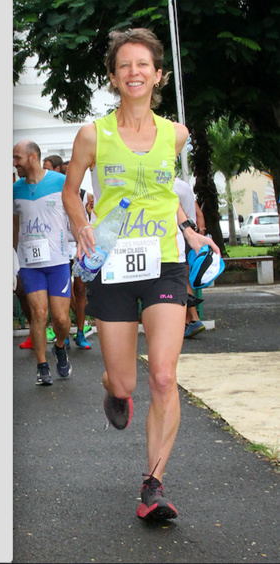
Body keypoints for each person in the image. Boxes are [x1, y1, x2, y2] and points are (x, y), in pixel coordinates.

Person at [62, 29, 220, 520]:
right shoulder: (93, 134)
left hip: (165, 265)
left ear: (157, 74)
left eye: (143, 64)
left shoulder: (176, 133)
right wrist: (82, 225)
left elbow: (166, 194)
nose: (134, 72)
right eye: (124, 65)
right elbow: (71, 192)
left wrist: (192, 232)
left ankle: (153, 485)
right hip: (112, 264)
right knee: (128, 382)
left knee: (165, 375)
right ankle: (113, 384)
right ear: (113, 76)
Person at [14, 140, 72, 386]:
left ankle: (59, 346)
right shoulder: (15, 189)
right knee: (39, 314)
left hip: (58, 261)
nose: (14, 163)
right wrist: (11, 258)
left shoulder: (60, 183)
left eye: (18, 158)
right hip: (29, 264)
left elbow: (75, 216)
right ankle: (41, 364)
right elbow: (14, 226)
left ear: (33, 157)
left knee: (60, 319)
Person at [44, 155, 94, 350]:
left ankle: (80, 332)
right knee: (62, 294)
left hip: (77, 248)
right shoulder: (48, 195)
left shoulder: (83, 195)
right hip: (58, 250)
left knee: (80, 290)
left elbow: (90, 221)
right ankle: (62, 333)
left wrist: (89, 213)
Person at [173, 178, 206, 338]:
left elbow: (181, 215)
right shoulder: (184, 185)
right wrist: (200, 233)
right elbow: (198, 213)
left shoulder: (169, 186)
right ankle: (186, 322)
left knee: (181, 279)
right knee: (185, 278)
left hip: (179, 234)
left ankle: (194, 318)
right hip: (191, 236)